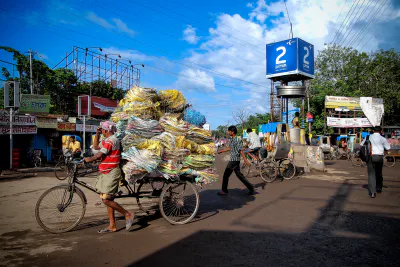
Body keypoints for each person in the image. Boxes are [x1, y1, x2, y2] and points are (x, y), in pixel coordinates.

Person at [84, 121, 135, 233]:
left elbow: (100, 154)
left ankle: (128, 214)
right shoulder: (106, 140)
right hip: (105, 172)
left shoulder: (112, 140)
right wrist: (97, 134)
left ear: (106, 130)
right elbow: (96, 146)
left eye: (102, 129)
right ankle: (112, 225)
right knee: (108, 198)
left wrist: (89, 159)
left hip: (112, 172)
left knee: (106, 199)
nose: (101, 131)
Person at [217, 126, 257, 196]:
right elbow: (230, 148)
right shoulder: (232, 139)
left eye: (229, 131)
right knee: (239, 175)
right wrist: (221, 151)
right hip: (234, 160)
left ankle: (224, 190)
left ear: (232, 132)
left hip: (234, 160)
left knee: (226, 175)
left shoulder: (237, 139)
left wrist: (245, 160)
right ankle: (251, 188)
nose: (228, 132)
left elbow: (240, 150)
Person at [361, 126, 391, 198]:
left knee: (371, 175)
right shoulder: (383, 139)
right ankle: (379, 188)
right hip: (379, 157)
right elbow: (388, 148)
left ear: (373, 131)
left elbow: (361, 145)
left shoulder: (368, 137)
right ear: (380, 131)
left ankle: (372, 193)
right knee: (379, 173)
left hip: (370, 157)